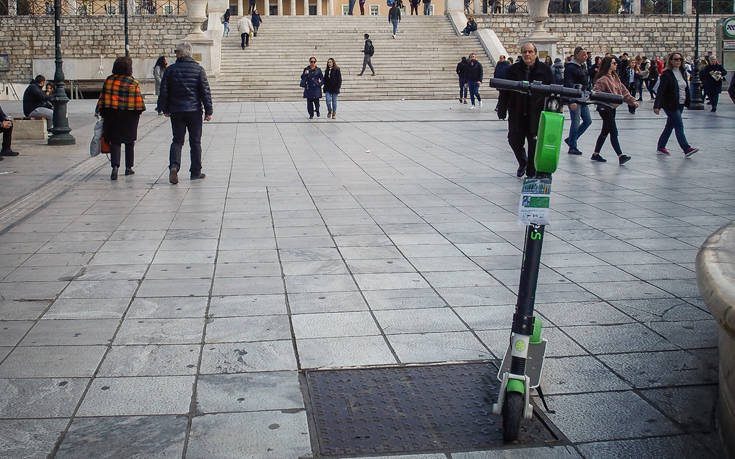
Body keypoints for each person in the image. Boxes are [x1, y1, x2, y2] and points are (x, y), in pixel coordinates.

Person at [158, 41, 213, 184]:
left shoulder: (170, 70)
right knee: (195, 142)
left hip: (177, 110)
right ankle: (195, 172)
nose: (175, 54)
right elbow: (205, 91)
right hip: (194, 110)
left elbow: (164, 91)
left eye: (177, 51)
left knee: (177, 140)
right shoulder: (198, 69)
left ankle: (174, 166)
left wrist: (164, 108)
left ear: (181, 53)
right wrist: (208, 110)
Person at [496, 42, 553, 177]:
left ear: (535, 53)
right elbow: (505, 91)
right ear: (521, 54)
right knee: (514, 140)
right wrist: (502, 108)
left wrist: (555, 109)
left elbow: (553, 91)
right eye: (525, 52)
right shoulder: (512, 70)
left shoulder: (545, 70)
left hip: (536, 114)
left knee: (534, 145)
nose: (527, 54)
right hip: (517, 112)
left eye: (530, 52)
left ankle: (531, 172)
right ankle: (523, 161)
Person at [96, 56, 145, 180]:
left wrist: (103, 113)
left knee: (115, 141)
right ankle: (128, 168)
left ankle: (115, 167)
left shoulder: (109, 80)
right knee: (129, 142)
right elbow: (139, 105)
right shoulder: (133, 82)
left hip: (112, 116)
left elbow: (102, 100)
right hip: (129, 117)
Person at [590, 56, 638, 165]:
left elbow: (623, 91)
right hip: (605, 108)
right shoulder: (602, 79)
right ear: (608, 65)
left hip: (612, 108)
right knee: (613, 131)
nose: (616, 64)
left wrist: (632, 101)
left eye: (616, 63)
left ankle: (595, 154)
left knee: (605, 131)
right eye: (613, 63)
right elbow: (596, 93)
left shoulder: (615, 77)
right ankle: (620, 156)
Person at [653, 52, 699, 158]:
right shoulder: (667, 74)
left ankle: (661, 146)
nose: (678, 61)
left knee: (670, 126)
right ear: (671, 61)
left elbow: (685, 87)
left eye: (680, 59)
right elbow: (661, 91)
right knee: (679, 125)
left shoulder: (682, 72)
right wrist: (657, 106)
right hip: (670, 104)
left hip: (681, 102)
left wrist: (688, 101)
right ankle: (686, 148)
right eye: (676, 59)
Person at [564, 46, 592, 156]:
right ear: (576, 56)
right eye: (583, 55)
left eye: (586, 55)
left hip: (583, 97)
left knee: (588, 121)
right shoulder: (571, 67)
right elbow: (568, 84)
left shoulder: (583, 66)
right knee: (575, 123)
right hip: (575, 98)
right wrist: (571, 100)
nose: (586, 57)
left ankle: (571, 139)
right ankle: (572, 146)